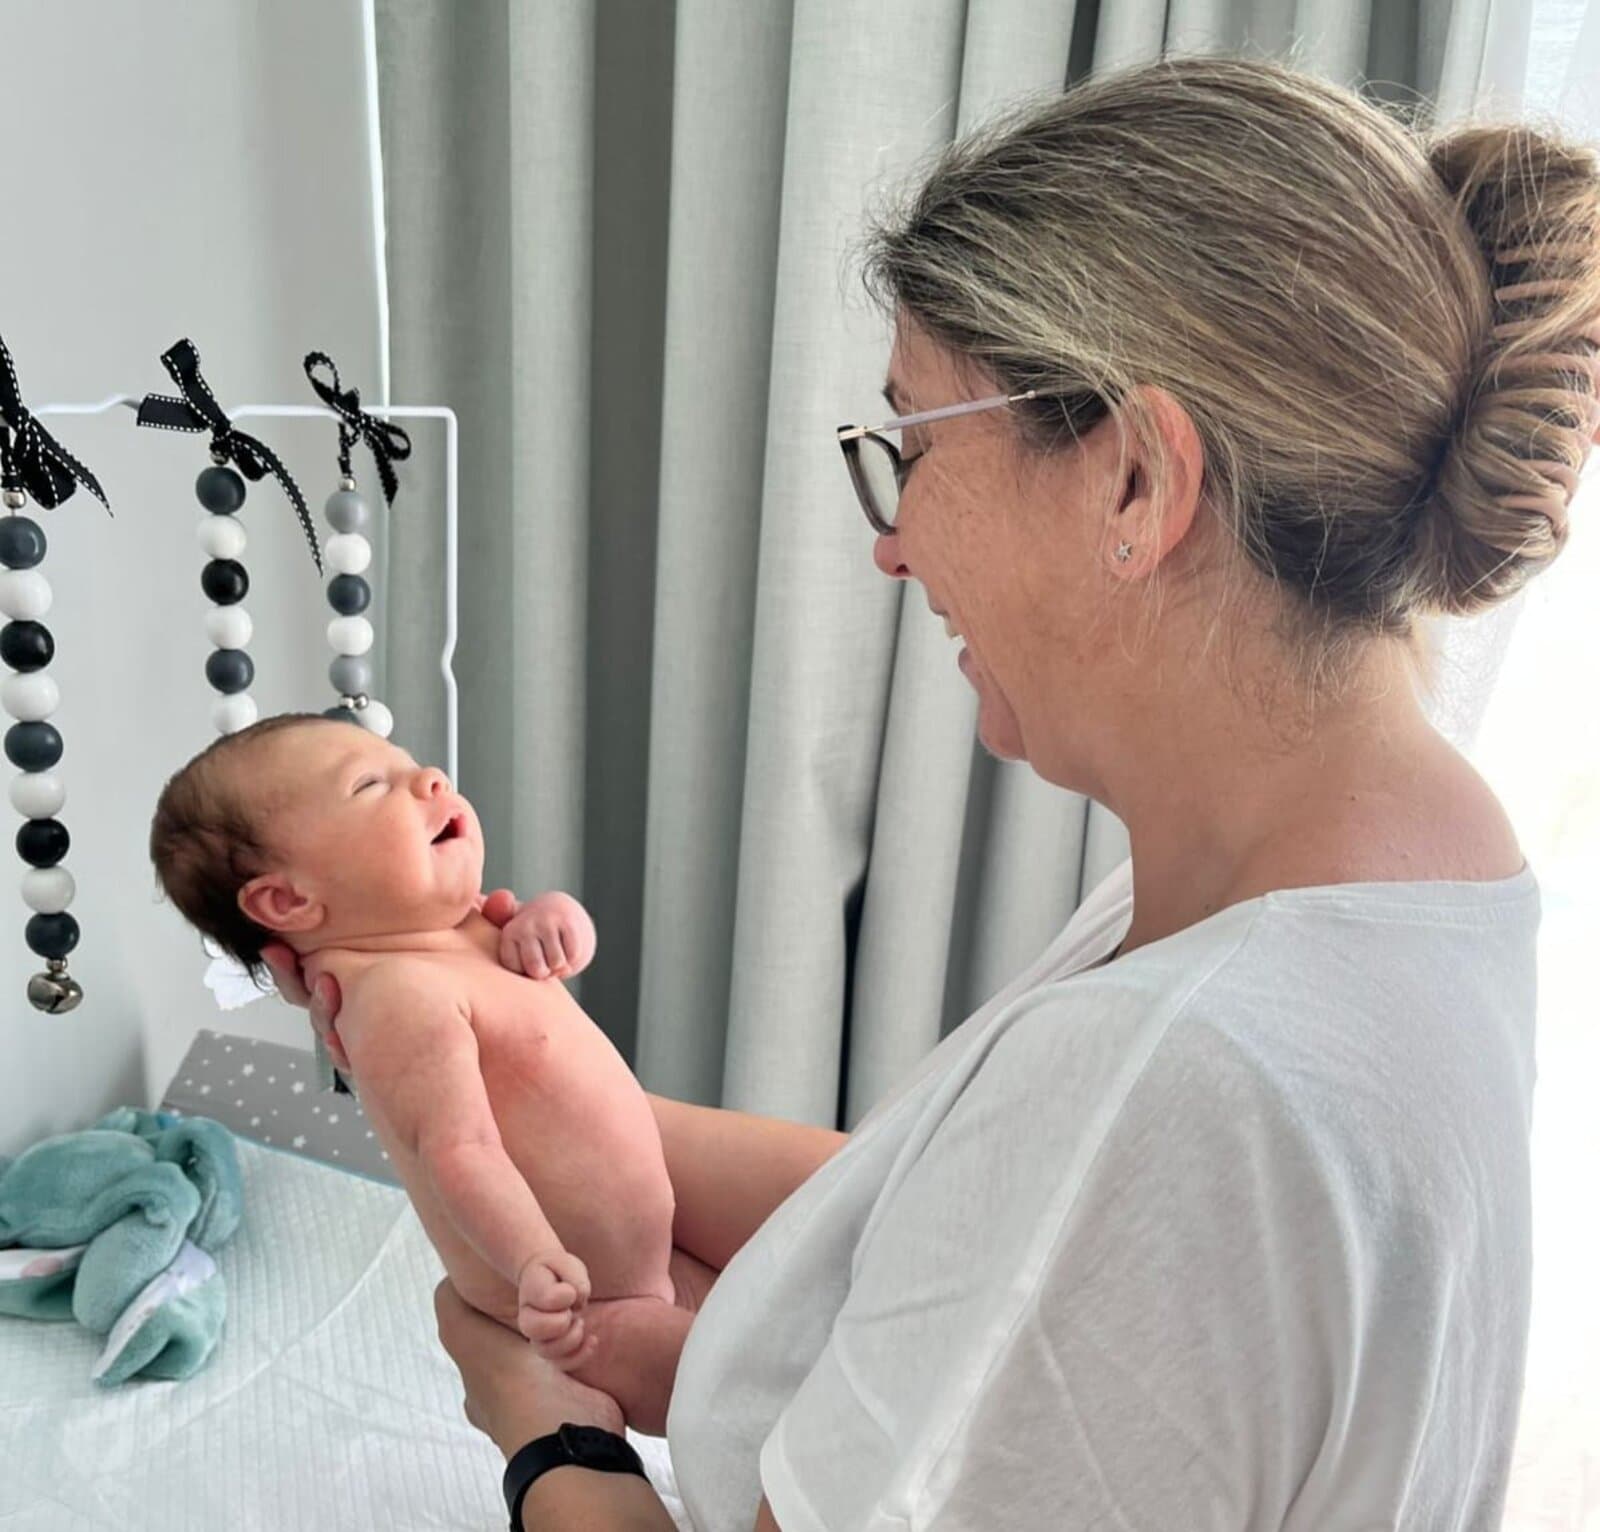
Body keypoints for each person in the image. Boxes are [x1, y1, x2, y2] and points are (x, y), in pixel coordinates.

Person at [269, 54, 1600, 1531]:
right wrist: (526, 1082)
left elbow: (1076, 1195)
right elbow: (967, 1226)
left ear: (1138, 484)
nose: (893, 549)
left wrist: (542, 1435)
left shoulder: (1180, 1080)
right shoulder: (1402, 866)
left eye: (913, 442)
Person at [149, 715, 719, 1428]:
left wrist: (556, 920)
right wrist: (533, 1260)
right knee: (742, 1401)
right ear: (288, 900)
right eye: (369, 784)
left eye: (411, 763)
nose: (431, 779)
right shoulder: (395, 998)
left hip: (654, 1252)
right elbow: (457, 1150)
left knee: (790, 1337)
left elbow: (548, 984)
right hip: (588, 1306)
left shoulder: (461, 928)